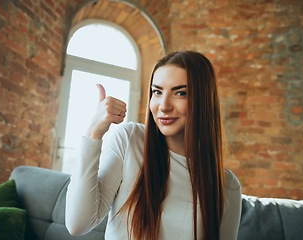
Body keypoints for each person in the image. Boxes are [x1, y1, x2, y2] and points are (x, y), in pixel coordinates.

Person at [65, 51, 242, 240]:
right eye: (157, 92)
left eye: (180, 93)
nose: (163, 106)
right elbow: (78, 224)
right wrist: (94, 133)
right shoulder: (130, 140)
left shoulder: (227, 185)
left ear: (204, 100)